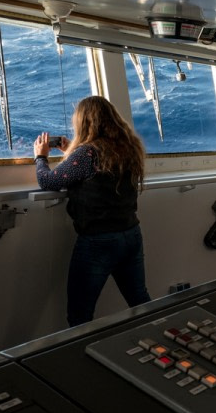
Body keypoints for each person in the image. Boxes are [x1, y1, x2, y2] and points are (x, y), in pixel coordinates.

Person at [34, 95, 150, 327]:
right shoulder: (128, 148)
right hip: (130, 234)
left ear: (84, 122)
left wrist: (41, 156)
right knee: (140, 300)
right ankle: (160, 343)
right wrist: (71, 153)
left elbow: (48, 181)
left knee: (80, 314)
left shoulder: (87, 153)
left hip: (99, 241)